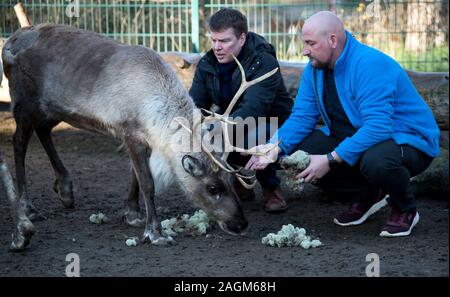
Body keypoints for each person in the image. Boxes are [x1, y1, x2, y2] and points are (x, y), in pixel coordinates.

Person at [245, 11, 440, 237]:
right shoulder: (314, 68)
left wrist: (330, 159)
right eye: (304, 43)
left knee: (377, 162)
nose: (304, 50)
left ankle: (404, 207)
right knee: (296, 154)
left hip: (408, 141)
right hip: (360, 139)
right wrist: (273, 147)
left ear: (333, 40)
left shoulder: (369, 64)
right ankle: (370, 192)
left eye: (310, 43)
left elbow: (378, 127)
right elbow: (302, 117)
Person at [189, 8, 293, 212]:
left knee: (251, 132)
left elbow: (254, 110)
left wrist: (212, 131)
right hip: (236, 121)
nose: (217, 47)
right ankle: (238, 181)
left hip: (275, 125)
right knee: (204, 134)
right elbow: (195, 105)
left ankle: (271, 187)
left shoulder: (263, 62)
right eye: (214, 40)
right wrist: (191, 128)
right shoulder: (208, 63)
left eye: (225, 41)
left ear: (242, 38)